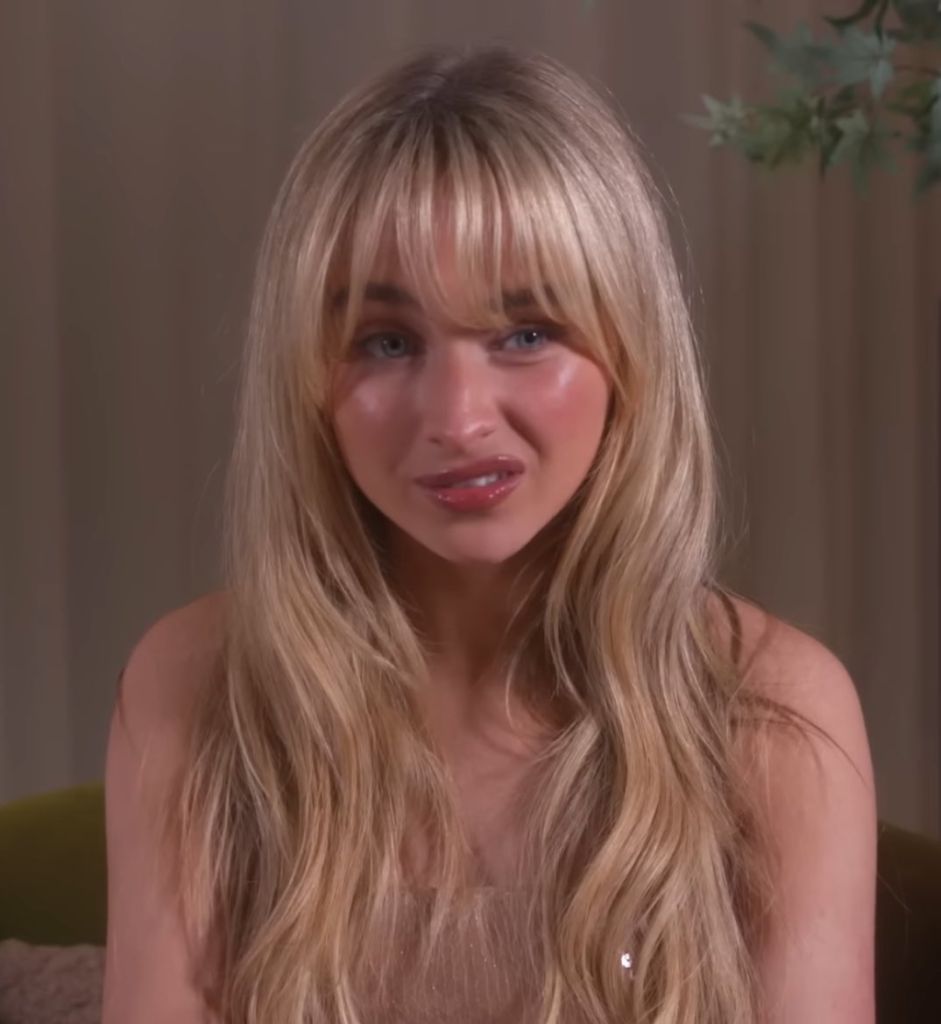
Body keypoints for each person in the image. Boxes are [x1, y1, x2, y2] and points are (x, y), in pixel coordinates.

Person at [101, 44, 877, 1024]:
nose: (458, 418)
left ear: (629, 349)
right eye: (387, 341)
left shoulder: (769, 711)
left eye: (525, 332)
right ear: (305, 379)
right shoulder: (195, 686)